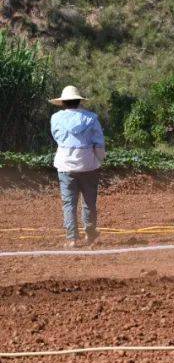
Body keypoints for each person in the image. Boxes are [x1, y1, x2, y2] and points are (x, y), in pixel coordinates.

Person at [49, 86, 106, 249]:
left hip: (65, 165)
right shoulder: (91, 118)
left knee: (69, 203)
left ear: (63, 103)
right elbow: (99, 142)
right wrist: (100, 159)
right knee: (89, 201)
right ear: (79, 101)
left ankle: (72, 238)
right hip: (88, 165)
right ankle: (90, 233)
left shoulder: (55, 118)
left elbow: (57, 137)